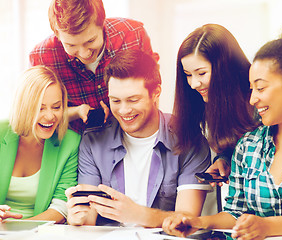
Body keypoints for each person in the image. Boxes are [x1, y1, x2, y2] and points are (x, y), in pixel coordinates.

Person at [162, 25, 282, 239]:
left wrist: (267, 226)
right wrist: (197, 222)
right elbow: (235, 213)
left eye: (260, 88)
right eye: (251, 89)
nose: (252, 99)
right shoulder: (248, 146)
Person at [65, 49, 212, 227]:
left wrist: (137, 214)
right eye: (116, 101)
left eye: (133, 100)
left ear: (156, 93)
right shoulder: (93, 141)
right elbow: (88, 218)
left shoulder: (190, 140)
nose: (124, 110)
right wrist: (78, 218)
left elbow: (187, 222)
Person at [29, 0, 158, 134]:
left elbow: (152, 89)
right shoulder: (42, 57)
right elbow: (35, 112)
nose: (85, 54)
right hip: (76, 141)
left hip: (133, 135)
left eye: (90, 41)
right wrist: (77, 111)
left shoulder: (134, 35)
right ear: (57, 34)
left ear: (102, 23)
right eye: (71, 45)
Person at [171, 24, 258, 185]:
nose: (194, 84)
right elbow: (233, 148)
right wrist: (224, 160)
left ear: (225, 67)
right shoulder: (209, 101)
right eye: (188, 75)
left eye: (201, 73)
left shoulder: (259, 102)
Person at [0, 66, 81, 223]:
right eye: (40, 108)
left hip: (41, 233)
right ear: (23, 107)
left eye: (56, 107)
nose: (50, 116)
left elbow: (61, 206)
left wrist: (20, 229)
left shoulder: (70, 142)